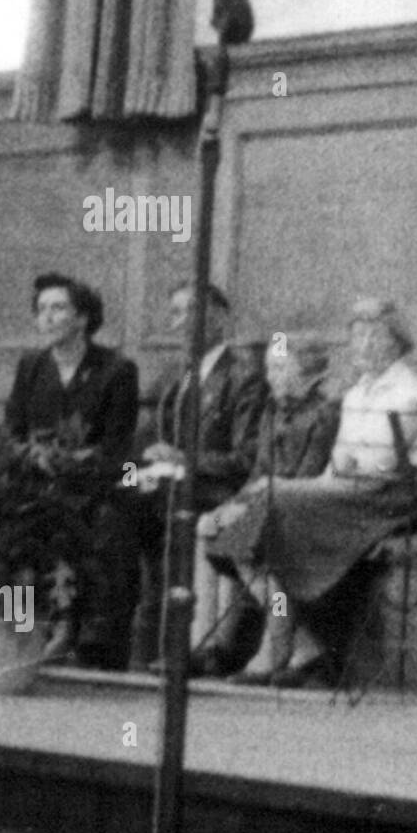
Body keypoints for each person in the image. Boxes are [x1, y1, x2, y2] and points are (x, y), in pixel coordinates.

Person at [215, 297, 417, 689]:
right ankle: (299, 646)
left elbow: (384, 463)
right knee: (253, 529)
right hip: (347, 490)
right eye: (357, 336)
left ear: (396, 342)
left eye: (376, 336)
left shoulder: (412, 392)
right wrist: (319, 481)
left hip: (390, 498)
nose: (364, 345)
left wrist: (313, 482)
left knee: (270, 503)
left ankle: (280, 647)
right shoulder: (357, 393)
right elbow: (341, 461)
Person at [0, 274, 139, 665]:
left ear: (82, 318)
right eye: (41, 309)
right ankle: (9, 629)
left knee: (91, 522)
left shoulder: (116, 369)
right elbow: (13, 432)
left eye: (58, 308)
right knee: (1, 518)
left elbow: (116, 447)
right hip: (34, 480)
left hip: (90, 484)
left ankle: (74, 632)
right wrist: (32, 456)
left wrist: (72, 463)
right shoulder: (31, 365)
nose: (47, 317)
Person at [129, 282, 268, 671]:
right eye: (175, 313)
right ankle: (135, 637)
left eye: (190, 311)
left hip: (222, 489)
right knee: (121, 498)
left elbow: (244, 459)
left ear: (219, 318)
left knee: (157, 506)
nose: (180, 323)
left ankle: (186, 645)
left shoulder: (243, 377)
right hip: (181, 483)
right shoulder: (179, 377)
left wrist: (182, 459)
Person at [190, 331, 341, 680]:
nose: (271, 377)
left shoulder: (324, 414)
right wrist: (233, 505)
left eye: (280, 367)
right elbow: (258, 471)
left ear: (308, 372)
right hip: (270, 503)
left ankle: (273, 648)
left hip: (303, 506)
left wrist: (246, 508)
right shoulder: (271, 412)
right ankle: (295, 646)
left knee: (260, 551)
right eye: (269, 368)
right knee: (215, 529)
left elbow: (307, 475)